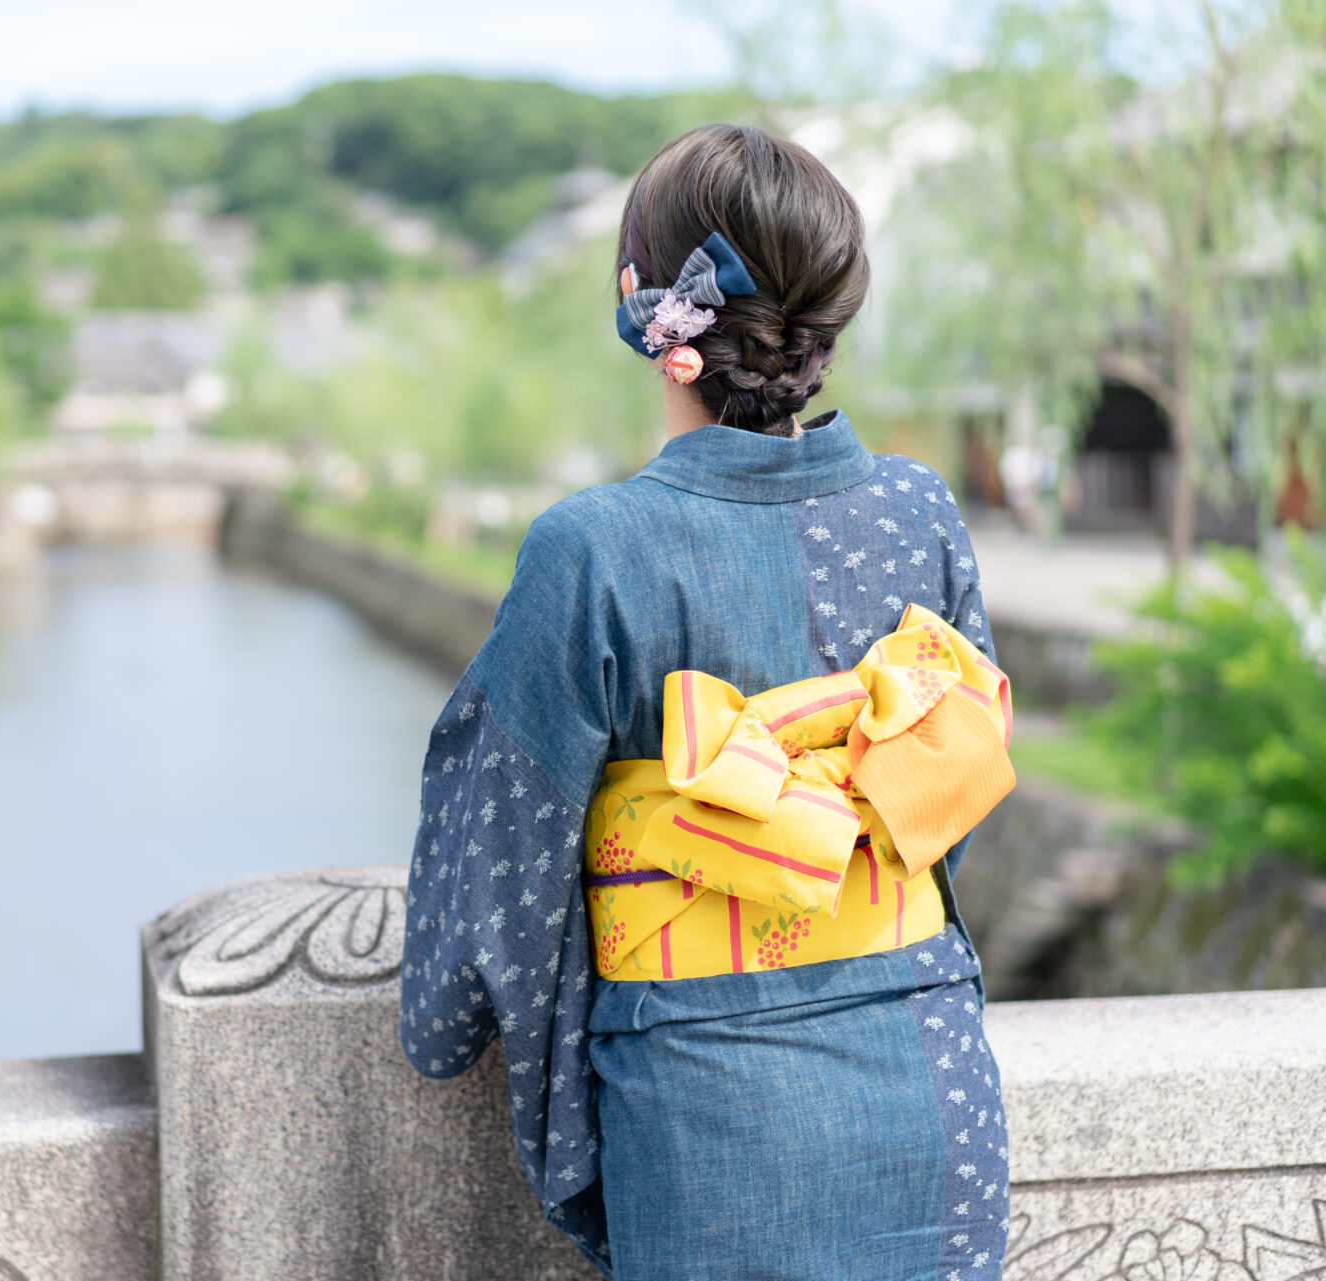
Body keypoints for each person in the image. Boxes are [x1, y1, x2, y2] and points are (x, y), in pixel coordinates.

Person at [398, 123, 1017, 1281]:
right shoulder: (917, 513)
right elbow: (942, 803)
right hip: (931, 1076)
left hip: (716, 1109)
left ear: (646, 305)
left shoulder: (593, 549)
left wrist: (440, 1025)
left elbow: (500, 857)